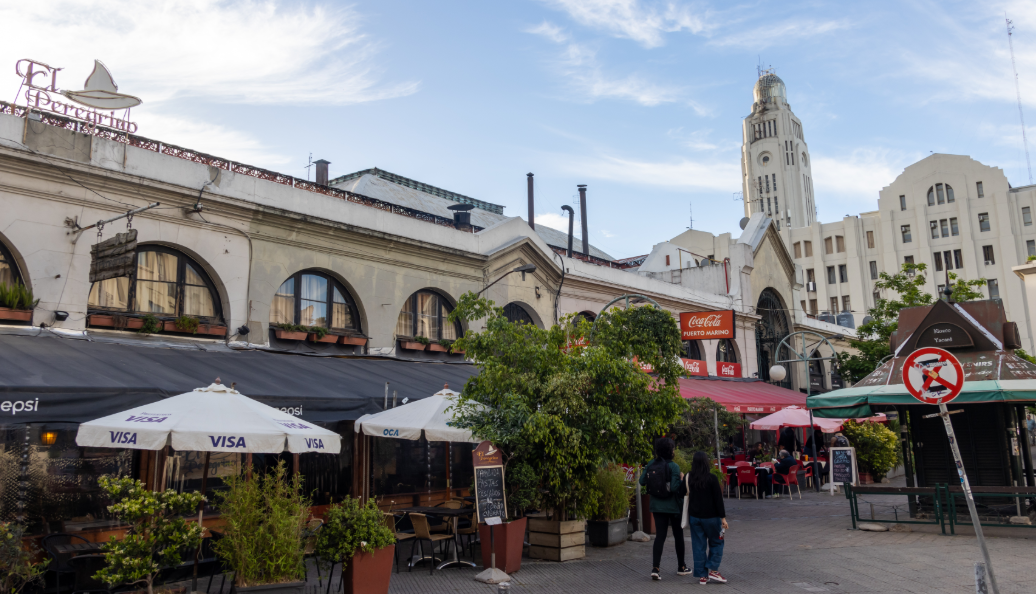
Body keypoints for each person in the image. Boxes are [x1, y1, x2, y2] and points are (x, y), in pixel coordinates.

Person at [639, 437, 689, 580]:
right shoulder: (674, 466)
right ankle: (682, 567)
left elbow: (642, 481)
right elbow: (674, 488)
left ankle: (655, 568)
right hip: (673, 506)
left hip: (656, 505)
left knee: (660, 536)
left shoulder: (650, 464)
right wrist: (681, 479)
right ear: (670, 451)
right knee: (678, 535)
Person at [681, 451, 729, 585]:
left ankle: (702, 576)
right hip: (712, 518)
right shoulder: (712, 478)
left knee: (698, 546)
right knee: (717, 542)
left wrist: (681, 479)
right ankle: (713, 569)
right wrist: (723, 518)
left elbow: (680, 492)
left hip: (695, 518)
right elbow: (718, 500)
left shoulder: (689, 477)